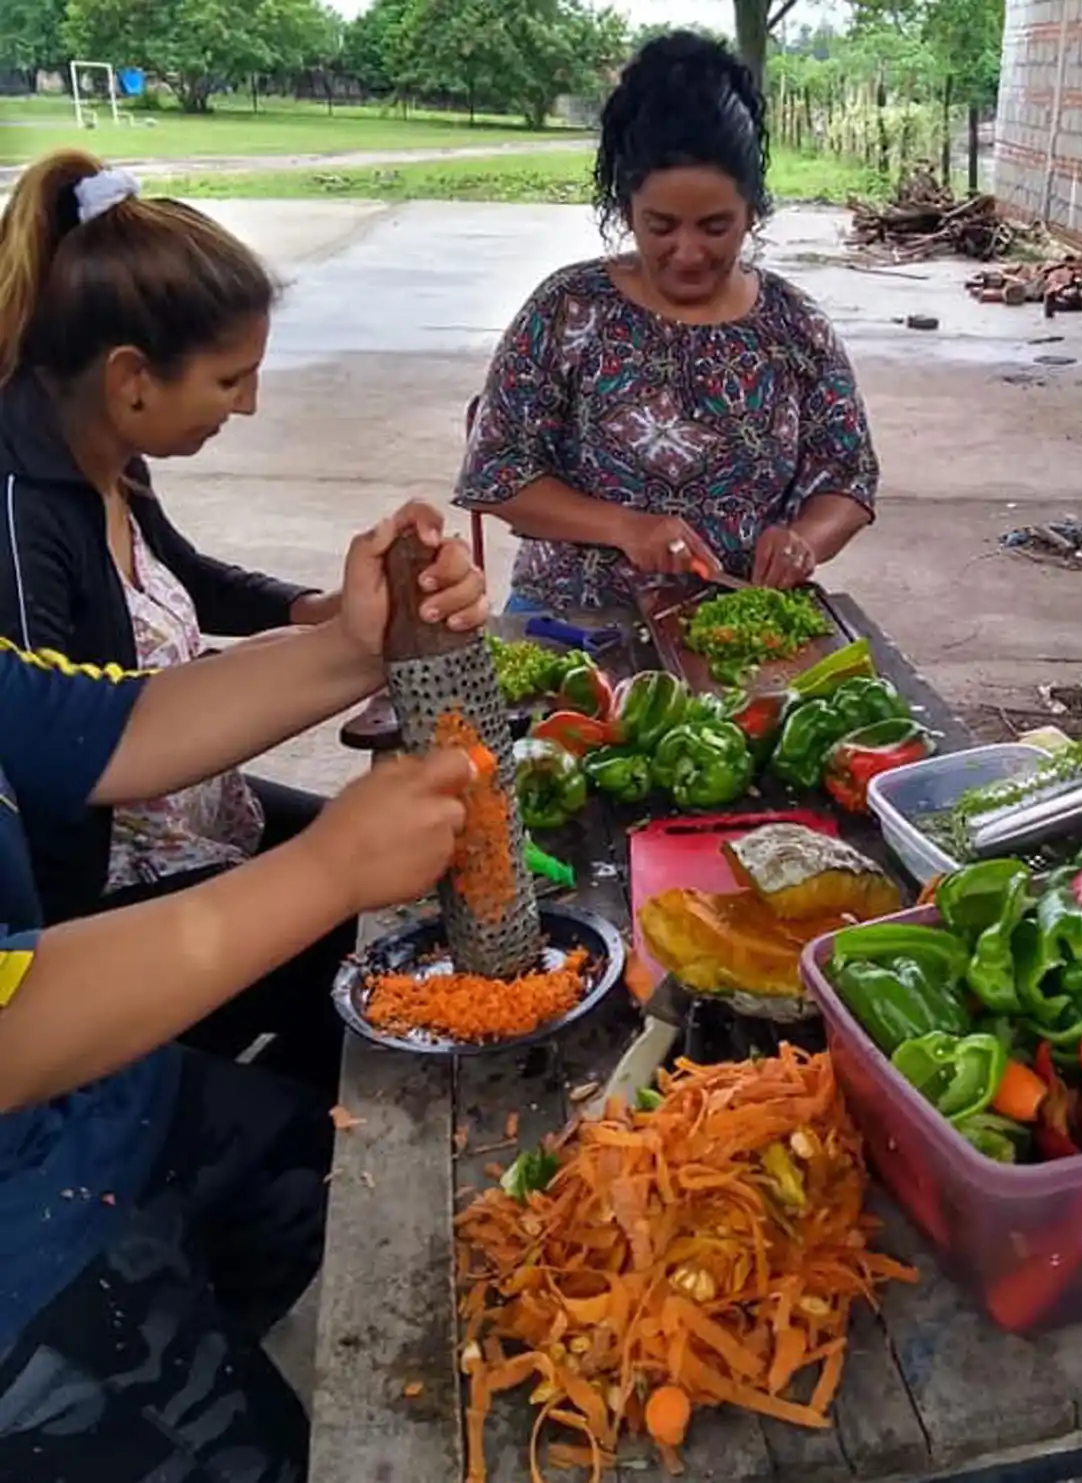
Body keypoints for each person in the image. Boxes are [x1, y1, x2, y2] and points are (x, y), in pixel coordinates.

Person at [0, 498, 485, 1482]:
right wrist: (326, 870)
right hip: (21, 1262)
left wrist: (356, 643)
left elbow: (93, 726)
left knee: (322, 1176)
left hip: (80, 1111)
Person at [0, 151, 352, 1092]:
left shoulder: (104, 449)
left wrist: (313, 610)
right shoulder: (22, 517)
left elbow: (180, 574)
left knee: (385, 880)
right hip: (100, 890)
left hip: (191, 804)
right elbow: (67, 769)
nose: (250, 402)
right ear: (134, 379)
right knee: (349, 936)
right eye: (231, 379)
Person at [455, 30, 879, 614]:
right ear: (624, 207)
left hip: (743, 621)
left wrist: (803, 540)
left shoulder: (794, 326)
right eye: (660, 226)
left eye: (714, 227)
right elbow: (496, 474)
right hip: (574, 623)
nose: (686, 253)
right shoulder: (569, 310)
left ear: (752, 212)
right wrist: (628, 527)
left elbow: (847, 478)